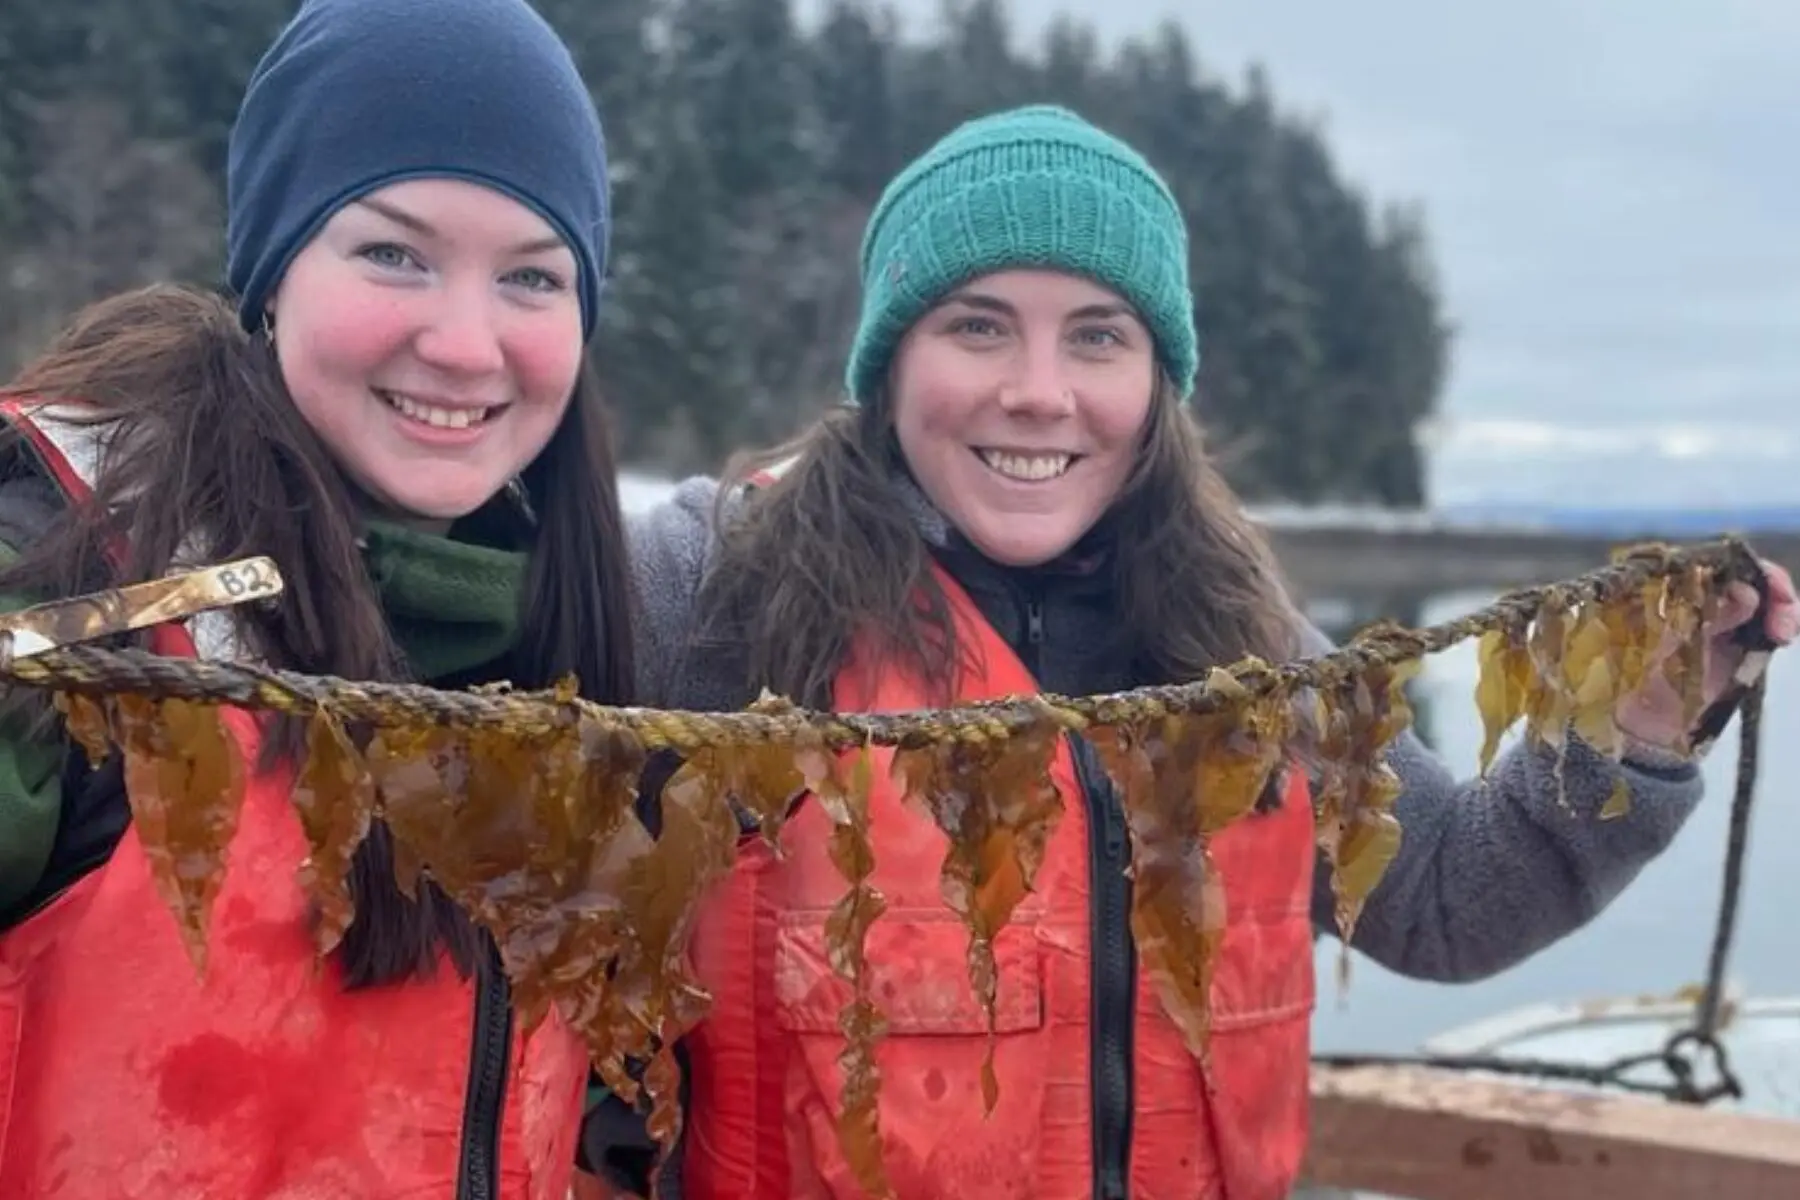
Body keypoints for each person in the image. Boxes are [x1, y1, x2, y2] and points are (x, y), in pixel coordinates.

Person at [621, 105, 1799, 1198]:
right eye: (977, 326)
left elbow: (1444, 899)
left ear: (1157, 380)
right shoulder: (713, 587)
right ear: (889, 365)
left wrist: (1635, 729)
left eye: (1099, 337)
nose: (1040, 393)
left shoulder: (1240, 639)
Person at [0, 0, 634, 1196]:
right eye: (394, 252)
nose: (462, 342)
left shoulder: (580, 651)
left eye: (532, 276)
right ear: (275, 272)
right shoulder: (71, 593)